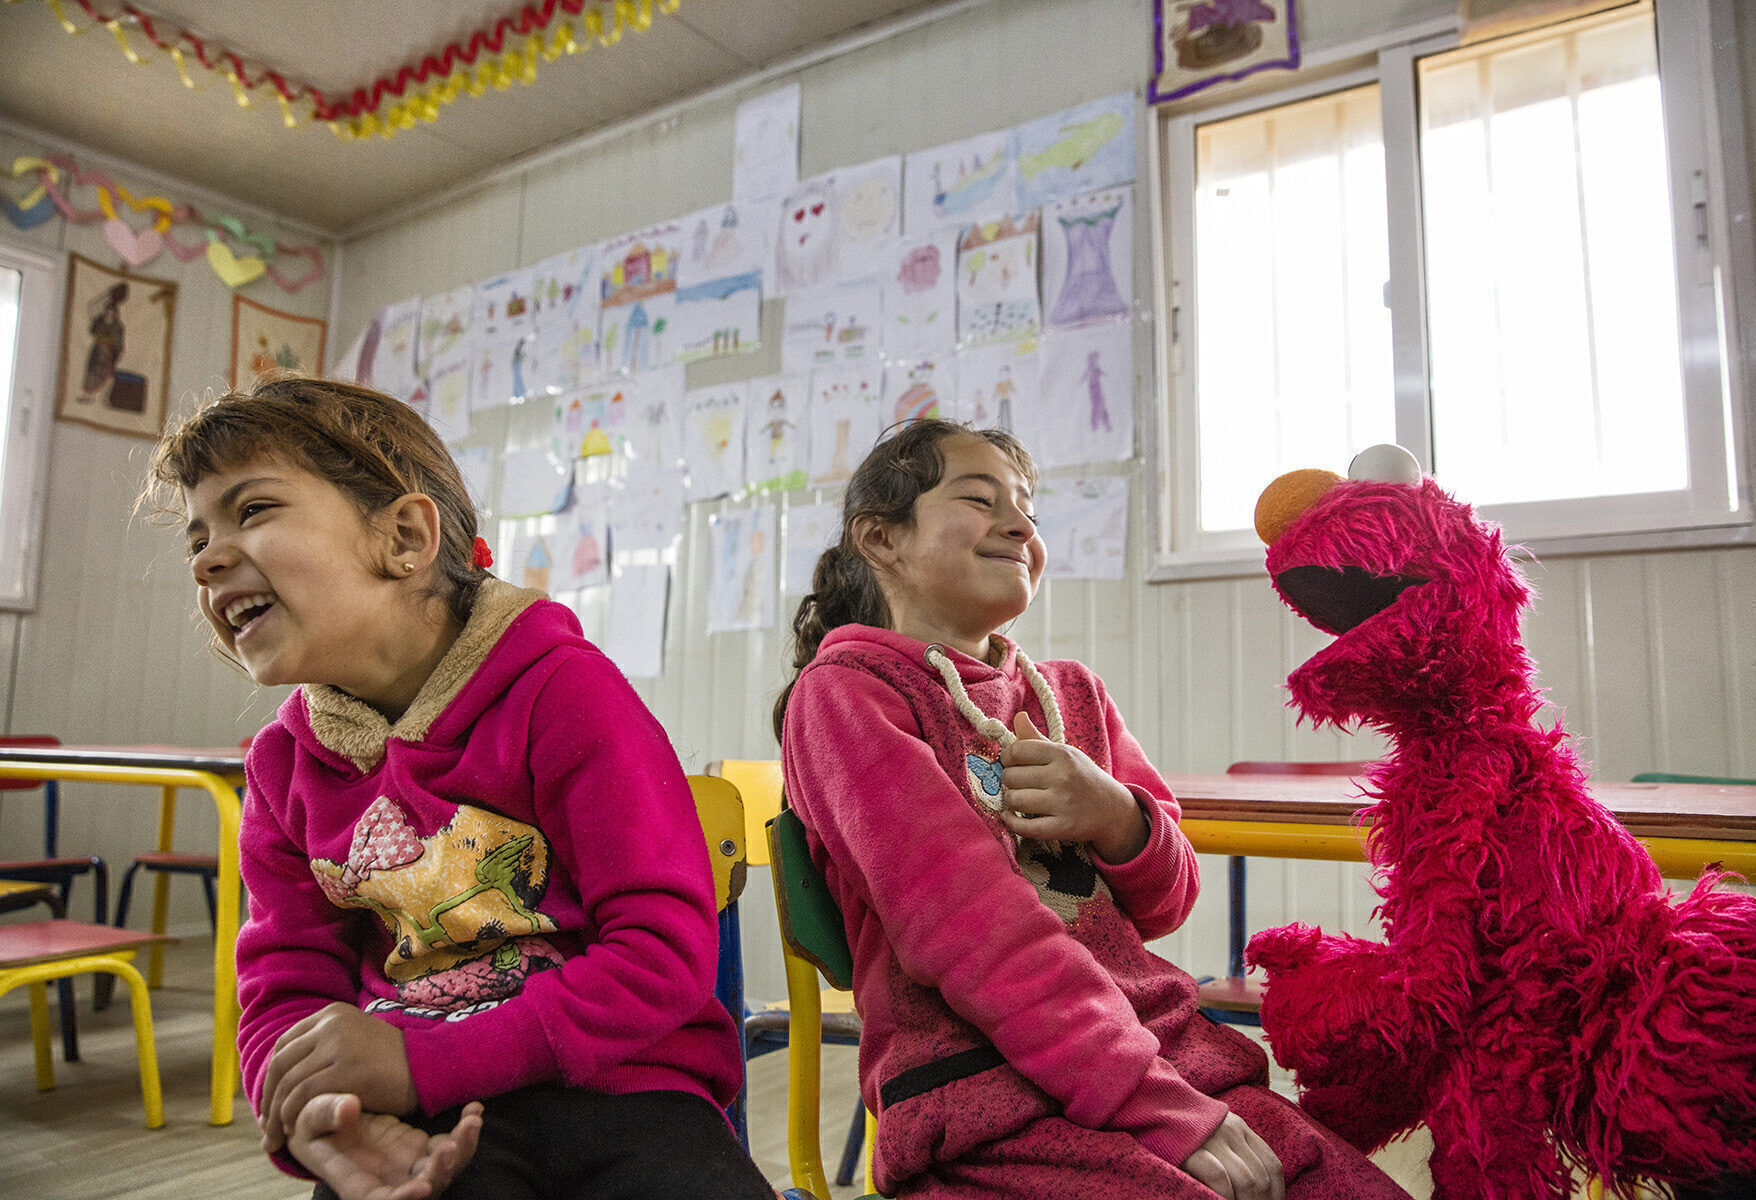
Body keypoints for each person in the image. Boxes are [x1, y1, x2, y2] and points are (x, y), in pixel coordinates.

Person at [148, 375, 775, 1200]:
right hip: (418, 1118)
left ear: (404, 536)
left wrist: (418, 1061)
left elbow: (661, 956)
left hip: (625, 1093)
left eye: (252, 510)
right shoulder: (282, 769)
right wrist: (318, 1115)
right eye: (198, 536)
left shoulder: (562, 694)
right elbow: (285, 989)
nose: (207, 557)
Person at [774, 418, 1414, 1200]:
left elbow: (1170, 899)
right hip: (986, 1090)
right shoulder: (847, 695)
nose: (1018, 524)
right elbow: (968, 929)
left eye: (1029, 510)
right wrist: (1154, 1104)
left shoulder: (1073, 693)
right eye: (980, 499)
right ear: (881, 539)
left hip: (1161, 1056)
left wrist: (1119, 817)